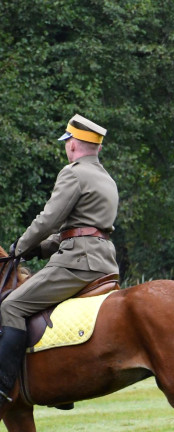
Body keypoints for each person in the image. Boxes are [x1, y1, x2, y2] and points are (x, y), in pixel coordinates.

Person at [1, 114, 119, 402]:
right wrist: (40, 249)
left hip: (77, 263)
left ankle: (3, 386)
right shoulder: (107, 179)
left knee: (11, 306)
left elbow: (48, 220)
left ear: (73, 144)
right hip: (104, 262)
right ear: (98, 147)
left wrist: (20, 247)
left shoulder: (73, 173)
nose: (67, 147)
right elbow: (84, 229)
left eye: (67, 142)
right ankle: (59, 386)